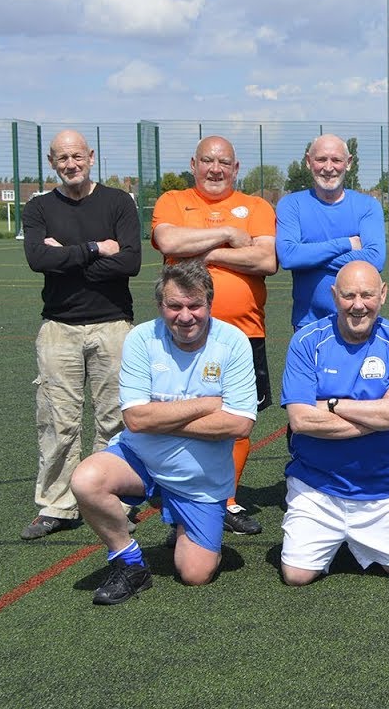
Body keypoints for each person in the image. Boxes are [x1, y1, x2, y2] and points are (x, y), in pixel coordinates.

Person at [70, 260, 257, 604]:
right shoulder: (142, 338)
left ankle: (185, 519)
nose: (185, 316)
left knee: (195, 574)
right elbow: (136, 421)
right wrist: (205, 404)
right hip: (140, 458)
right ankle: (130, 565)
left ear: (209, 304)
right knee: (86, 480)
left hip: (199, 479)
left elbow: (239, 424)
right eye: (174, 306)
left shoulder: (233, 342)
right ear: (161, 306)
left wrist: (161, 417)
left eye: (194, 305)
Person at [152, 136, 278, 536]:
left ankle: (226, 499)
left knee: (240, 417)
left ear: (236, 168)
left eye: (224, 162)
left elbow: (265, 259)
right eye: (207, 160)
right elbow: (168, 241)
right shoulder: (172, 200)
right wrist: (227, 232)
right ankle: (183, 496)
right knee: (182, 410)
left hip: (244, 333)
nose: (215, 168)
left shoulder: (257, 207)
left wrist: (203, 253)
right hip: (181, 333)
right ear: (194, 163)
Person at [20, 129, 142, 540]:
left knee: (116, 418)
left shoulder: (118, 202)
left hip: (113, 325)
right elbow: (38, 259)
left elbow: (130, 264)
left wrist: (66, 255)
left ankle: (116, 499)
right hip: (58, 327)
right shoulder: (38, 208)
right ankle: (57, 505)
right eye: (61, 159)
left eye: (77, 156)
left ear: (91, 156)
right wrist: (94, 248)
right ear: (51, 162)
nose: (70, 164)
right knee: (57, 421)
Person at [278, 261, 389, 585]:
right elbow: (300, 420)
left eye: (367, 295)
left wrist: (330, 404)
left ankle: (356, 539)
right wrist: (377, 413)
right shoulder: (306, 342)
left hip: (381, 492)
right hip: (316, 488)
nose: (358, 305)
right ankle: (331, 536)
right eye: (349, 295)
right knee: (296, 576)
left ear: (382, 294)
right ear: (334, 295)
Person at [276, 134, 386, 330]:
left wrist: (308, 256)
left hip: (360, 321)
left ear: (348, 163)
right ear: (308, 162)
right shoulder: (291, 204)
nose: (328, 167)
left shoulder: (368, 206)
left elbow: (375, 259)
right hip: (308, 324)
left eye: (336, 160)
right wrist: (346, 244)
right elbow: (289, 257)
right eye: (321, 159)